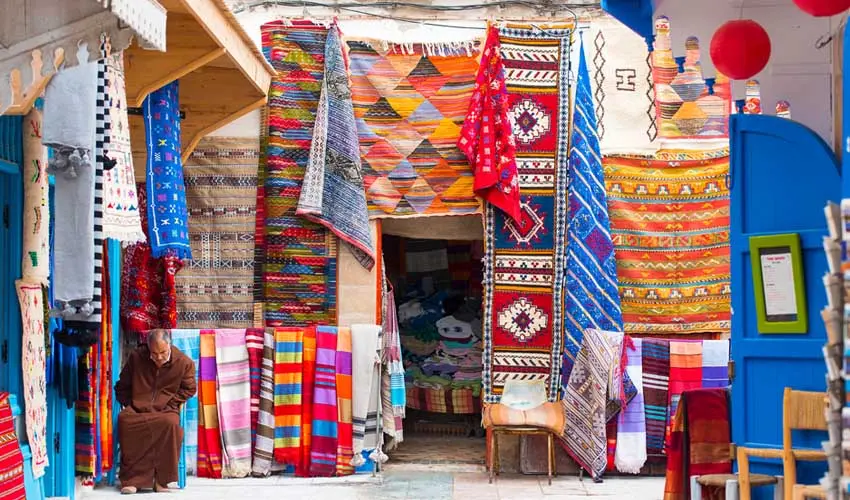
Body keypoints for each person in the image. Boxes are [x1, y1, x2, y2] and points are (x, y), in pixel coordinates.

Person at [114, 329, 196, 494]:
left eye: (163, 352)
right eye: (154, 353)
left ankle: (161, 481)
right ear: (148, 348)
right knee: (125, 419)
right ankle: (132, 480)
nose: (159, 357)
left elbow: (189, 389)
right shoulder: (137, 357)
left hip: (166, 410)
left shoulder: (183, 362)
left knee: (170, 424)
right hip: (138, 408)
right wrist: (131, 403)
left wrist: (170, 403)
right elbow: (122, 385)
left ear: (169, 345)